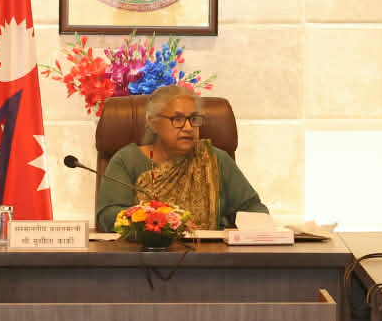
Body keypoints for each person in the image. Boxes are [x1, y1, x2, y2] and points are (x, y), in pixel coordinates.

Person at [94, 85, 267, 232]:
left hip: (210, 255)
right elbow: (109, 215)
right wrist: (154, 221)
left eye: (194, 119)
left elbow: (253, 208)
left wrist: (253, 231)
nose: (188, 127)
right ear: (154, 123)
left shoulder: (214, 159)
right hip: (143, 255)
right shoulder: (128, 160)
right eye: (177, 119)